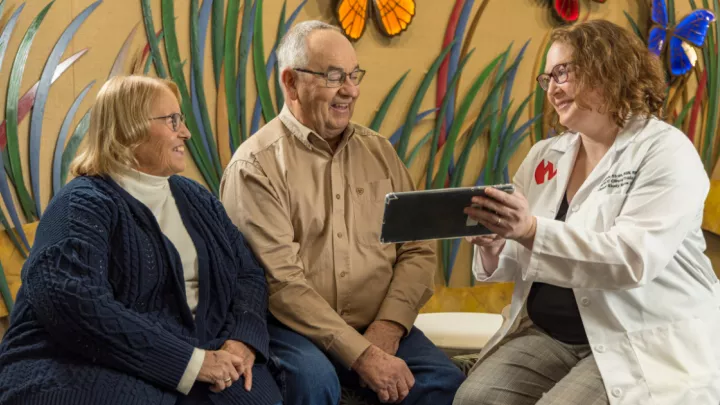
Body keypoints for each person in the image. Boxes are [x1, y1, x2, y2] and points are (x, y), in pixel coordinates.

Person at [452, 19, 720, 405]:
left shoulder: (666, 152)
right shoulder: (545, 155)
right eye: (548, 78)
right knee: (473, 400)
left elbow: (631, 259)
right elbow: (527, 254)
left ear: (608, 68)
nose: (553, 89)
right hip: (553, 336)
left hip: (639, 334)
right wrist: (497, 244)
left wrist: (528, 229)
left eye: (563, 72)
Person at [220, 20, 465, 405]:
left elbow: (416, 248)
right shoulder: (255, 166)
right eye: (334, 77)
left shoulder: (380, 152)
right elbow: (281, 284)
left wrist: (388, 326)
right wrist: (363, 354)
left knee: (445, 383)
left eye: (354, 75)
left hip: (378, 323)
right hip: (293, 331)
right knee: (315, 384)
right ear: (291, 82)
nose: (350, 90)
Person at [0, 76, 282, 405]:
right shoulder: (80, 203)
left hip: (201, 356)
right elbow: (71, 303)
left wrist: (241, 341)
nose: (185, 132)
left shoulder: (195, 198)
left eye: (183, 120)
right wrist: (190, 364)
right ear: (128, 128)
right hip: (84, 363)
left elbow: (246, 273)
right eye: (172, 120)